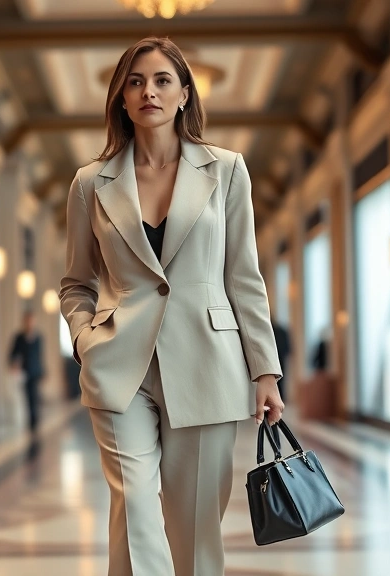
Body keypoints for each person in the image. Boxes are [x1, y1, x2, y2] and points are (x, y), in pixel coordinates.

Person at [59, 37, 284, 576]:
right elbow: (75, 282)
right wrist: (85, 340)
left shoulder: (228, 171)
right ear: (121, 97)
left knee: (195, 528)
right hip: (119, 366)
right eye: (135, 82)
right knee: (135, 509)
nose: (148, 92)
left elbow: (243, 278)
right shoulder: (91, 183)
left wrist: (266, 371)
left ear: (184, 93)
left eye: (162, 80)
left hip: (207, 364)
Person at [8, 310, 44, 433]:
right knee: (27, 396)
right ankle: (31, 420)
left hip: (35, 371)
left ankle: (35, 419)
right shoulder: (19, 337)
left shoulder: (38, 337)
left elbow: (40, 356)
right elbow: (13, 354)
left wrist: (43, 371)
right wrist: (14, 365)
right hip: (24, 372)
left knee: (35, 395)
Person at [271, 320, 292, 399]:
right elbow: (288, 348)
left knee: (278, 382)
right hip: (281, 359)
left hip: (277, 359)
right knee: (280, 381)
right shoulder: (283, 331)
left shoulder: (274, 331)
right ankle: (279, 399)